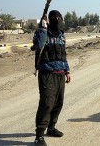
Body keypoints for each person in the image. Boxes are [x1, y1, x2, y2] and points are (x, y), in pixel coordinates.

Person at [32, 10, 71, 146]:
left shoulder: (61, 35)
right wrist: (43, 28)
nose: (57, 20)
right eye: (54, 18)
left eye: (59, 18)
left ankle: (51, 128)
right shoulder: (42, 32)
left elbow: (63, 54)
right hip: (47, 73)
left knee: (58, 103)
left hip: (60, 73)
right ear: (48, 19)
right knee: (47, 103)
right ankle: (39, 136)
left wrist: (67, 71)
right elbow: (38, 45)